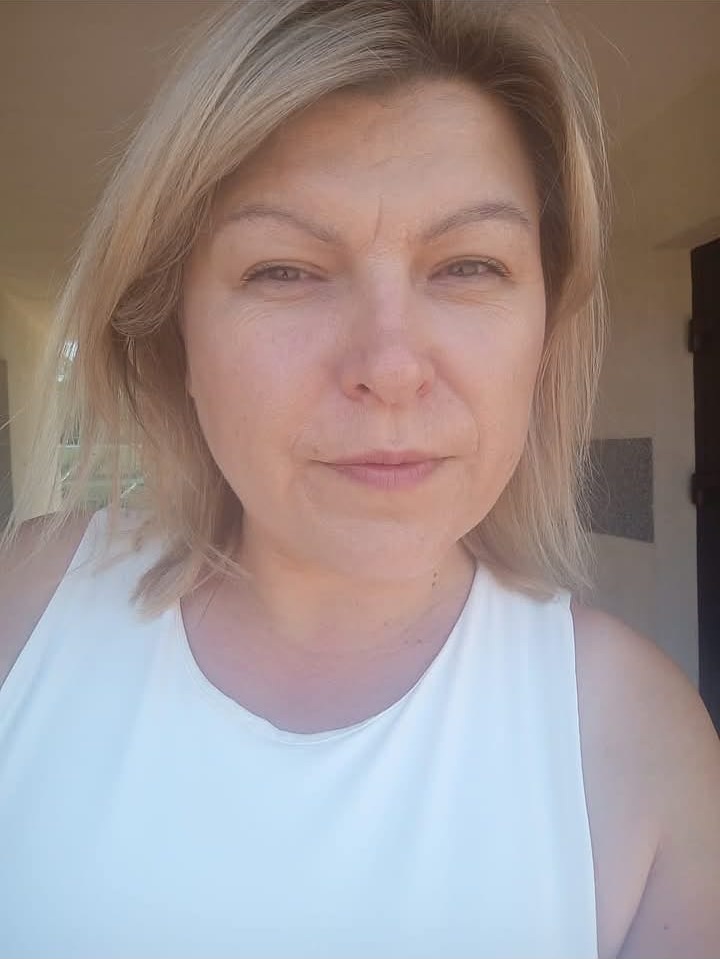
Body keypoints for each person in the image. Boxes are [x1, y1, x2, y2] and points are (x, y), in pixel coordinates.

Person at [1, 1, 718, 956]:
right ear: (176, 336)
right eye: (285, 271)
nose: (390, 365)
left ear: (545, 332)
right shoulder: (31, 605)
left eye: (469, 265)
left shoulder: (640, 738)